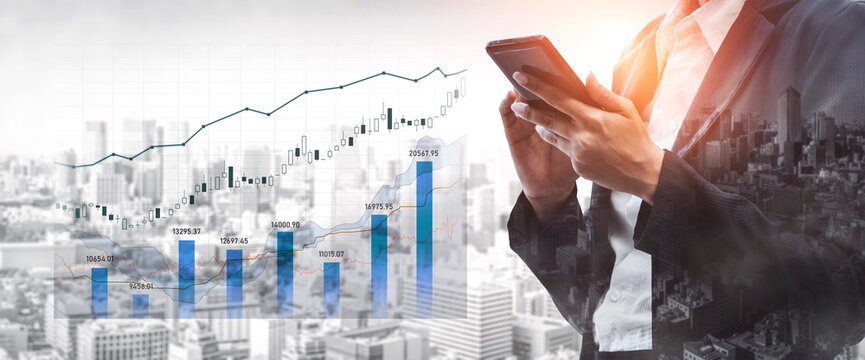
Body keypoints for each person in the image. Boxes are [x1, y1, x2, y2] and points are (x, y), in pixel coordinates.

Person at [500, 0, 865, 357]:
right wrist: (549, 198)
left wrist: (655, 179)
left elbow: (846, 298)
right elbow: (601, 313)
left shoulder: (839, 26)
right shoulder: (640, 52)